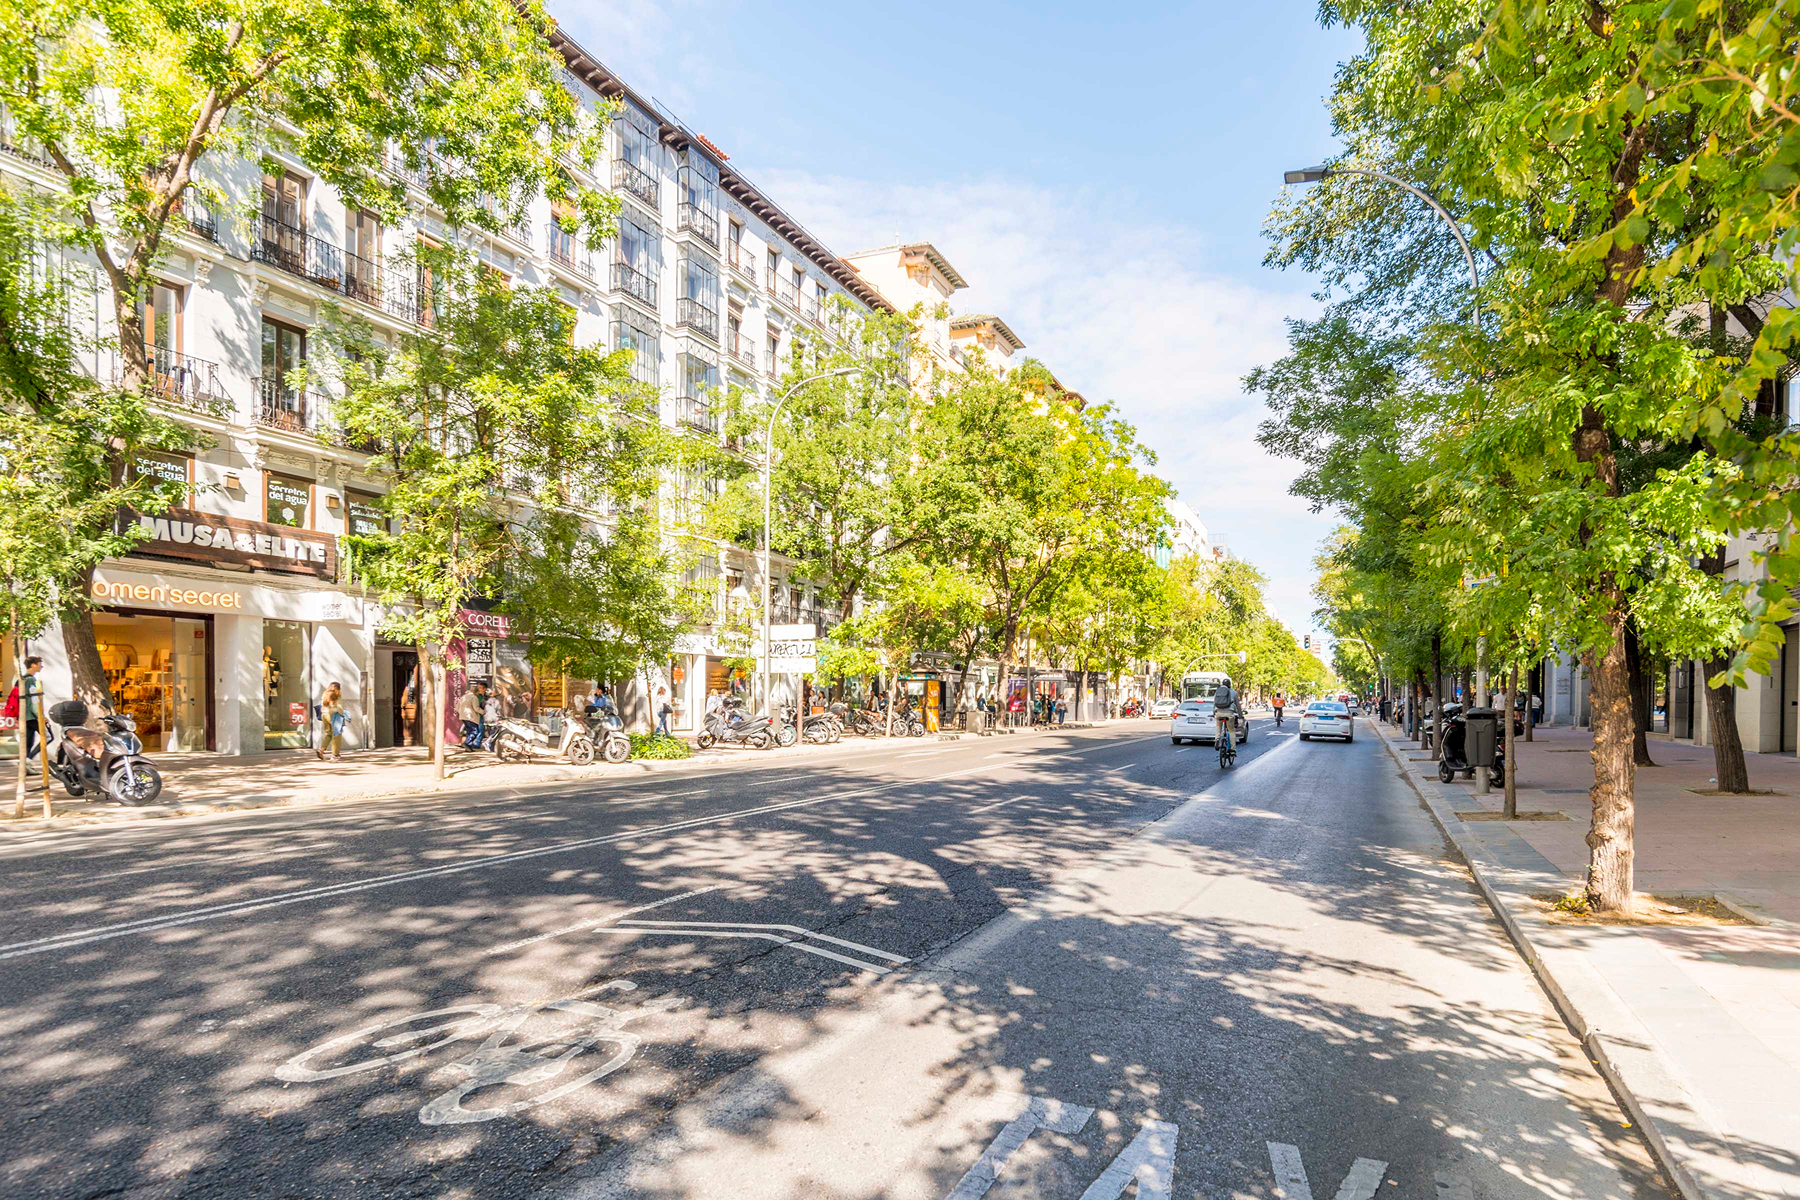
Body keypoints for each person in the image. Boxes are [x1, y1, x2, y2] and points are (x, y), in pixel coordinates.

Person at [6, 656, 44, 771]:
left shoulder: (20, 679)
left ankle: (26, 766)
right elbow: (33, 701)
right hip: (31, 716)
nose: (41, 666)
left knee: (28, 741)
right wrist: (40, 716)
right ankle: (28, 760)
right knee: (47, 737)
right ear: (33, 665)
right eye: (39, 664)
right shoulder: (31, 680)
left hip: (23, 715)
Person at [1212, 675, 1242, 748]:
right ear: (1230, 685)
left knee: (1218, 727)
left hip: (1218, 713)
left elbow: (1214, 703)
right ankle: (1233, 749)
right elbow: (1238, 705)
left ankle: (1217, 739)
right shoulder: (1234, 693)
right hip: (1229, 713)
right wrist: (1240, 715)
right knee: (1231, 731)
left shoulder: (1218, 691)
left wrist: (1214, 713)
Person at [456, 682, 485, 750]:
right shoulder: (474, 697)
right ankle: (467, 743)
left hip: (463, 717)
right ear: (476, 692)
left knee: (469, 731)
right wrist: (483, 712)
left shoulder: (463, 697)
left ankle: (468, 747)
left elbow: (457, 707)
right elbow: (476, 708)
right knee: (475, 731)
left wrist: (462, 713)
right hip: (470, 717)